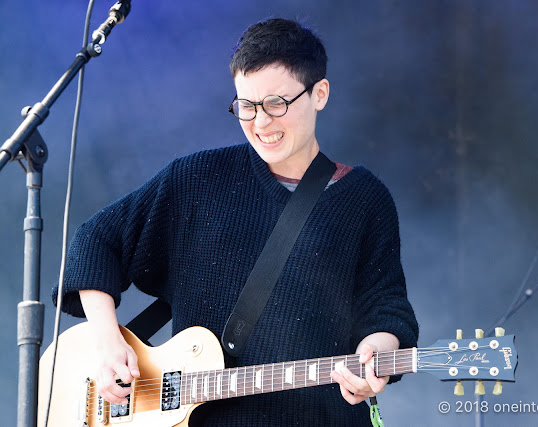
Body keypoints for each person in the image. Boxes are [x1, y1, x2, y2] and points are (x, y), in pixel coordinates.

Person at [54, 18, 419, 426]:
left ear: (320, 94)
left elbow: (385, 309)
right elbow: (97, 239)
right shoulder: (196, 178)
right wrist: (107, 343)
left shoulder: (362, 197)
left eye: (277, 104)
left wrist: (376, 359)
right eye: (246, 106)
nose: (261, 122)